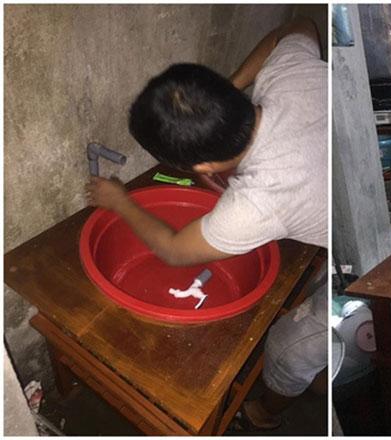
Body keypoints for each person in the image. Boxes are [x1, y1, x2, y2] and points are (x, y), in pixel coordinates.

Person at [86, 17, 327, 430]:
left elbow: (173, 251)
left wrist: (120, 201)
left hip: (345, 246)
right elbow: (298, 25)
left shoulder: (257, 203)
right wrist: (226, 97)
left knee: (291, 349)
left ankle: (263, 413)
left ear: (202, 168)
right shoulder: (291, 74)